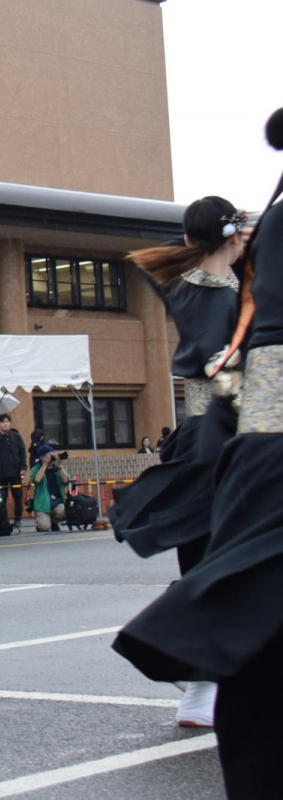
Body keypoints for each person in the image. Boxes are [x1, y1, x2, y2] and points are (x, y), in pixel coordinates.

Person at [113, 117, 283, 796]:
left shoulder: (219, 266)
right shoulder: (227, 274)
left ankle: (204, 670)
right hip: (245, 412)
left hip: (233, 421)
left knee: (229, 570)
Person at [111, 195, 248, 729]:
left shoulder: (185, 284)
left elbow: (180, 247)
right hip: (226, 435)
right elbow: (225, 372)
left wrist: (222, 240)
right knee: (225, 564)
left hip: (207, 436)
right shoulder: (222, 297)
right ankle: (195, 672)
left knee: (213, 562)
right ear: (231, 236)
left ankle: (200, 672)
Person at [0, 414, 25, 535]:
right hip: (1, 471)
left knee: (18, 495)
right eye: (3, 422)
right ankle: (3, 519)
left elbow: (22, 452)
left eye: (7, 421)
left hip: (15, 470)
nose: (5, 424)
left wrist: (23, 467)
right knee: (2, 497)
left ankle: (18, 518)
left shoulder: (16, 437)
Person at [29, 445, 70, 532]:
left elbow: (66, 480)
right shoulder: (36, 468)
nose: (51, 456)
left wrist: (60, 466)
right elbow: (36, 480)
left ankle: (53, 522)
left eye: (52, 454)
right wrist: (44, 465)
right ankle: (44, 523)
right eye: (48, 455)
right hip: (42, 505)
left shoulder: (56, 468)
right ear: (41, 457)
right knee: (44, 527)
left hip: (57, 502)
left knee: (63, 510)